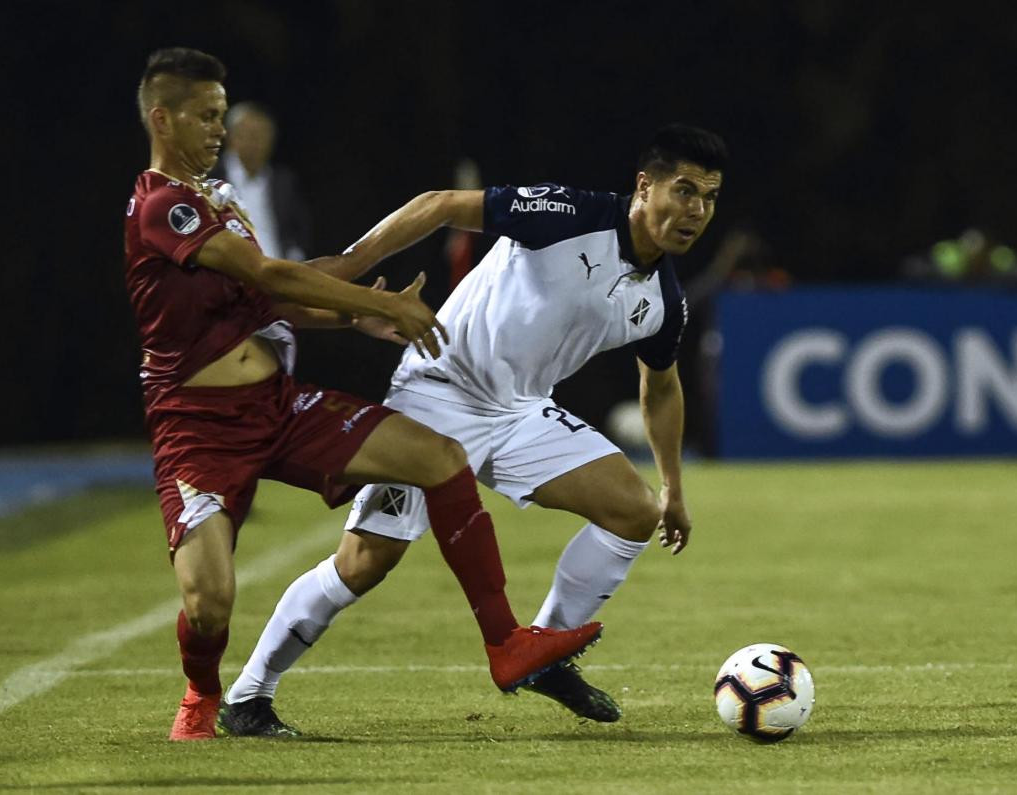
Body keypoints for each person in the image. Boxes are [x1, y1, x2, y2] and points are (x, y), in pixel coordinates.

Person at [124, 47, 602, 741]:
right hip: (198, 431)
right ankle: (202, 693)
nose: (219, 130)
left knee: (439, 457)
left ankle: (507, 644)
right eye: (205, 116)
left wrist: (357, 314)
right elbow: (268, 272)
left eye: (222, 115)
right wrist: (368, 305)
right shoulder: (162, 207)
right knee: (209, 605)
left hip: (279, 406)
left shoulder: (213, 202)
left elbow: (266, 295)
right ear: (162, 119)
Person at [220, 125, 727, 734]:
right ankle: (249, 696)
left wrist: (672, 486)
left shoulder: (665, 300)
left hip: (519, 412)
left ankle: (546, 650)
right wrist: (354, 263)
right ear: (644, 187)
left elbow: (662, 386)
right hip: (437, 390)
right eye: (684, 189)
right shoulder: (570, 213)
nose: (696, 210)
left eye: (709, 197)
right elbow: (438, 206)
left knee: (634, 511)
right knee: (363, 563)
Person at [209, 102, 312, 261]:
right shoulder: (210, 178)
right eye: (249, 134)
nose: (255, 143)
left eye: (262, 135)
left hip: (281, 272)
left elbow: (299, 231)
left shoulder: (283, 182)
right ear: (230, 137)